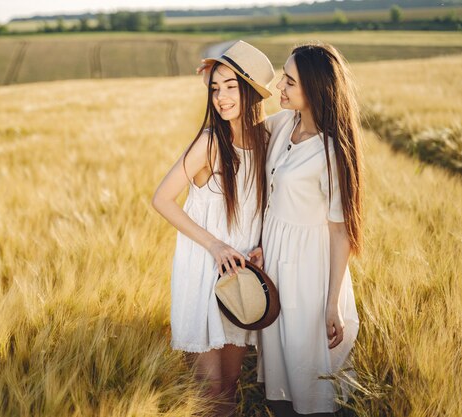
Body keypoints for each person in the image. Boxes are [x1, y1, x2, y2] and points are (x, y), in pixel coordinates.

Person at [152, 40, 274, 416]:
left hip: (240, 277)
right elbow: (162, 199)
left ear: (252, 91)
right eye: (215, 87)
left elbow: (260, 210)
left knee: (232, 385)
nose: (220, 97)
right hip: (204, 270)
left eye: (230, 86)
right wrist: (216, 245)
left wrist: (259, 247)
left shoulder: (266, 143)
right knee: (211, 391)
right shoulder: (209, 143)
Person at [248, 43, 362, 416]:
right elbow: (238, 135)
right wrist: (228, 79)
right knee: (280, 363)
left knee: (306, 368)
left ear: (313, 89)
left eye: (289, 81)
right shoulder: (283, 125)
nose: (280, 86)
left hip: (310, 272)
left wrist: (332, 303)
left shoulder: (332, 152)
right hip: (275, 263)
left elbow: (340, 232)